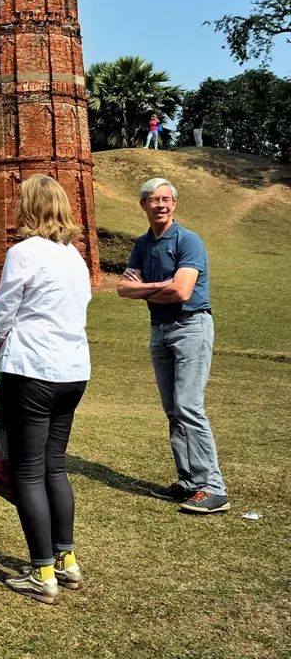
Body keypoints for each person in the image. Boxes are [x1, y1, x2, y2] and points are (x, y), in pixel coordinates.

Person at [0, 175, 92, 605]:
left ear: (27, 207)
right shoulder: (74, 256)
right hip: (72, 370)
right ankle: (65, 561)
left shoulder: (24, 252)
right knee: (54, 466)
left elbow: (1, 312)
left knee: (28, 470)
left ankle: (42, 572)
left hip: (31, 369)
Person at [117, 178, 228, 514]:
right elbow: (122, 289)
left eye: (166, 199)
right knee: (173, 409)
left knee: (188, 405)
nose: (161, 205)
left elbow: (181, 291)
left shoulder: (188, 240)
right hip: (160, 329)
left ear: (174, 204)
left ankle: (213, 488)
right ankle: (189, 481)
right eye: (154, 199)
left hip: (191, 326)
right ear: (143, 205)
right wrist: (159, 285)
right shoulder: (142, 244)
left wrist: (144, 289)